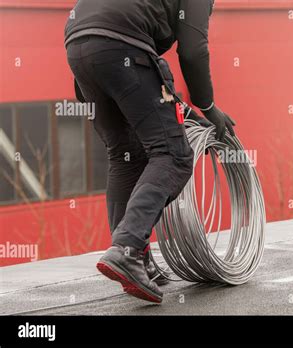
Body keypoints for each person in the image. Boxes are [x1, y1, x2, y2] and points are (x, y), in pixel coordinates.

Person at [64, 0, 236, 304]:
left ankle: (132, 258)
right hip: (121, 45)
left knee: (125, 154)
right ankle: (129, 248)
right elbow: (193, 51)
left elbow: (144, 81)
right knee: (174, 155)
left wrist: (184, 112)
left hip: (79, 47)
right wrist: (208, 106)